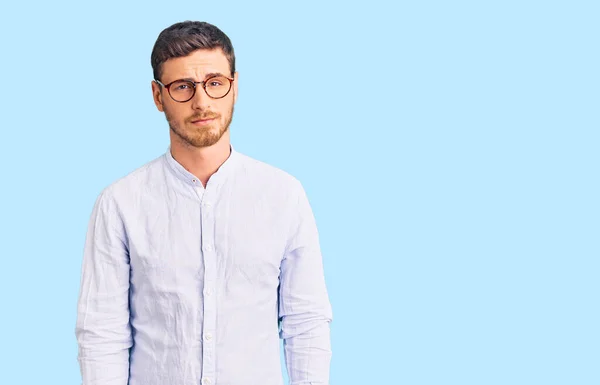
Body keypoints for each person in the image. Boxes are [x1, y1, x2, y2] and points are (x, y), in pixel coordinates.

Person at [74, 21, 333, 385]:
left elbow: (306, 323)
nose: (201, 101)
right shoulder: (120, 204)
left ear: (234, 87)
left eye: (214, 83)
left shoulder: (283, 195)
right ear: (157, 95)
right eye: (183, 87)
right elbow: (102, 334)